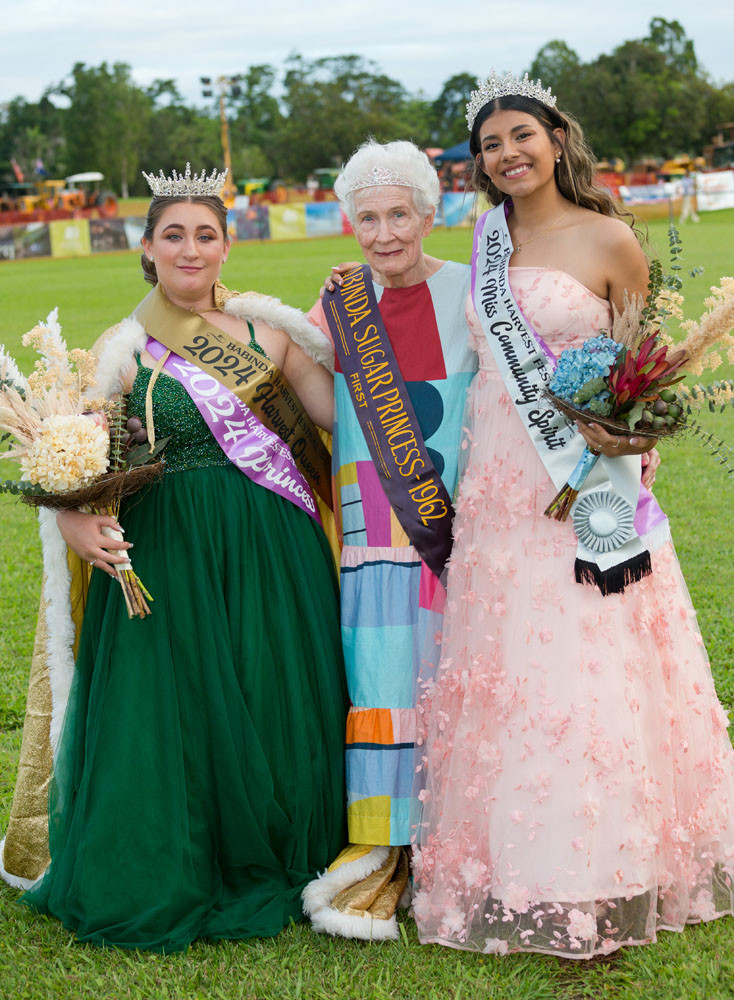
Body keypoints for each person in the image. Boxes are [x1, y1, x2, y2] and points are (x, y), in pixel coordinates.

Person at [411, 72, 734, 958]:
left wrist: (618, 443)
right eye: (490, 145)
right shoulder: (481, 242)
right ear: (479, 164)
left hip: (589, 487)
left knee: (597, 648)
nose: (508, 154)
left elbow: (651, 376)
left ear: (556, 138)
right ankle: (514, 861)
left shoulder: (611, 238)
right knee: (510, 660)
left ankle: (618, 857)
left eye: (522, 135)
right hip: (500, 488)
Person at [8, 165, 348, 952]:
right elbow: (75, 460)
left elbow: (341, 416)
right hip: (171, 548)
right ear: (148, 249)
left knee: (275, 690)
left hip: (273, 545)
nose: (191, 249)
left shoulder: (271, 333)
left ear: (228, 246)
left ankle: (293, 845)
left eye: (206, 234)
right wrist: (70, 523)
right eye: (174, 235)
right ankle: (195, 854)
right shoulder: (125, 349)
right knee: (182, 703)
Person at [301, 140, 478, 939]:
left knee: (454, 679)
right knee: (381, 683)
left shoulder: (473, 294)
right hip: (374, 536)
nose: (381, 233)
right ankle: (383, 842)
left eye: (397, 214)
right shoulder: (335, 306)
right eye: (366, 217)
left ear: (429, 211)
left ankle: (457, 836)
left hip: (457, 532)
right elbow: (305, 396)